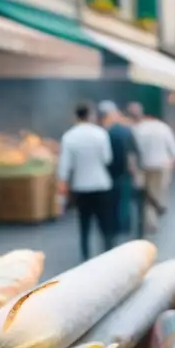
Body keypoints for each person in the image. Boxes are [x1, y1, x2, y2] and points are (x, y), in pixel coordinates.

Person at [58, 103, 115, 261]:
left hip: (81, 186)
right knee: (104, 223)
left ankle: (85, 256)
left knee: (84, 224)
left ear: (75, 116)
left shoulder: (69, 137)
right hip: (102, 184)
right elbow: (107, 158)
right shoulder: (101, 133)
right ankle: (109, 254)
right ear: (90, 115)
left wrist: (62, 188)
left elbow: (64, 166)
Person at [128, 103, 175, 233]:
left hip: (143, 166)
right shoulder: (164, 128)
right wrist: (170, 165)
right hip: (161, 166)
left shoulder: (137, 129)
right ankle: (156, 217)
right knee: (158, 192)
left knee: (146, 195)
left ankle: (150, 221)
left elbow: (132, 152)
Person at [98, 100, 139, 237]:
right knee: (124, 201)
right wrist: (133, 171)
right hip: (124, 173)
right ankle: (125, 226)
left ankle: (114, 227)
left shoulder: (105, 133)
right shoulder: (126, 131)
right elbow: (132, 154)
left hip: (110, 173)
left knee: (113, 203)